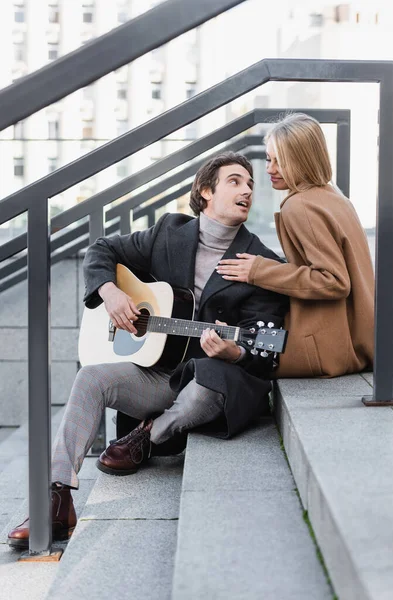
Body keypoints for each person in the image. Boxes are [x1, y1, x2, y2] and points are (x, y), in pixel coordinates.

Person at [8, 152, 288, 549]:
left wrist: (234, 352)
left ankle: (149, 434)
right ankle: (56, 498)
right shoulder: (169, 232)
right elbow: (102, 249)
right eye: (235, 181)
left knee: (206, 385)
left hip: (210, 382)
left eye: (250, 184)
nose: (247, 189)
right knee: (91, 378)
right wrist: (110, 293)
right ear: (205, 191)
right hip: (159, 375)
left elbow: (268, 349)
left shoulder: (261, 261)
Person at [217, 113, 374, 378]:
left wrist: (258, 271)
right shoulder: (333, 196)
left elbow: (334, 280)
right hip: (358, 338)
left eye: (282, 161)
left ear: (303, 160)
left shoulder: (299, 205)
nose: (270, 169)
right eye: (269, 159)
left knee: (233, 339)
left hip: (329, 349)